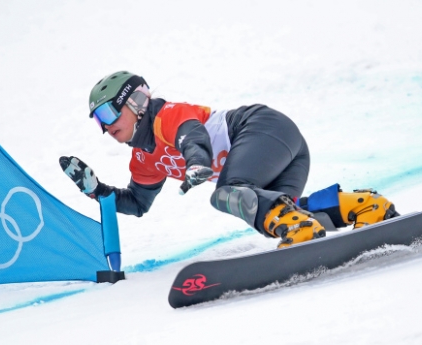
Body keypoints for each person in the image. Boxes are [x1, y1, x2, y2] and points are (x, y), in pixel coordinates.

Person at [60, 71, 399, 248]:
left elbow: (192, 136)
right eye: (97, 121)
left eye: (106, 113)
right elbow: (137, 203)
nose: (104, 127)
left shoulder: (167, 115)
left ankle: (302, 226)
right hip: (280, 149)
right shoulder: (143, 159)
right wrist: (97, 190)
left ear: (135, 103)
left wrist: (195, 162)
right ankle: (363, 205)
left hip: (264, 128)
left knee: (227, 193)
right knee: (278, 214)